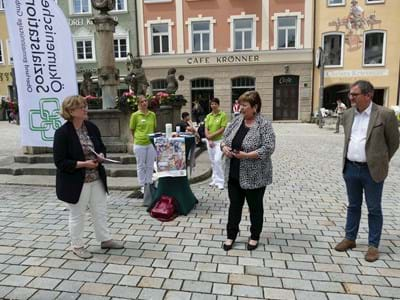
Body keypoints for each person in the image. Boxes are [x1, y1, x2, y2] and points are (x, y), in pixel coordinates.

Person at [334, 80, 399, 262]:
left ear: (368, 95)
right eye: (350, 94)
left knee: (374, 208)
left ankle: (373, 246)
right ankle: (350, 238)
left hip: (372, 171)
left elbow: (394, 142)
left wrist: (381, 161)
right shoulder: (347, 115)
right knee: (353, 206)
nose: (350, 97)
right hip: (351, 169)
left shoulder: (385, 114)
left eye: (355, 95)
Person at [53, 95, 124, 259]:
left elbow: (101, 147)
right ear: (71, 111)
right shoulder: (62, 133)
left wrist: (101, 155)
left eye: (85, 106)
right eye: (81, 107)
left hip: (96, 178)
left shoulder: (91, 127)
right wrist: (84, 164)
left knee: (100, 210)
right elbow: (60, 162)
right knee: (77, 214)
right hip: (76, 181)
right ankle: (77, 245)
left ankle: (105, 239)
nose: (85, 109)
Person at [220, 91, 275, 251]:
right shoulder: (236, 121)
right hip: (234, 173)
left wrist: (247, 155)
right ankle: (231, 235)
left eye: (244, 105)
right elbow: (224, 139)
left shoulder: (264, 125)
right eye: (240, 105)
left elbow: (269, 147)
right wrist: (224, 148)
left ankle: (254, 236)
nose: (241, 108)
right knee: (234, 206)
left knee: (255, 207)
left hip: (255, 176)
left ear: (255, 107)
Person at [129, 95, 157, 197]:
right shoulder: (135, 115)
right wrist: (137, 138)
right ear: (138, 104)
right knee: (141, 166)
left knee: (150, 165)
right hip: (139, 143)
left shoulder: (152, 114)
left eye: (145, 101)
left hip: (150, 143)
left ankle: (149, 183)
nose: (144, 103)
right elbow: (132, 129)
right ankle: (142, 186)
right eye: (142, 102)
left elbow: (154, 128)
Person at [205, 98, 227, 190]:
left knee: (217, 160)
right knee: (213, 161)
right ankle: (214, 179)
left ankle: (221, 181)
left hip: (219, 142)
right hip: (210, 142)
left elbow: (222, 129)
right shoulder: (209, 116)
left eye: (215, 104)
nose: (213, 106)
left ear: (218, 105)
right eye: (212, 104)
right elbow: (206, 128)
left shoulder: (222, 115)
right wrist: (208, 138)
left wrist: (211, 136)